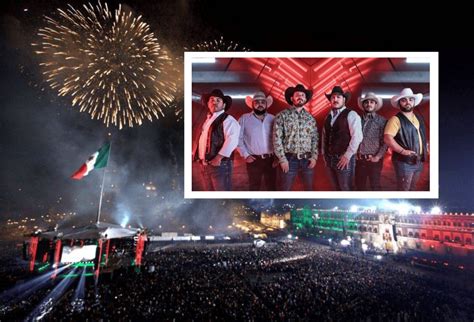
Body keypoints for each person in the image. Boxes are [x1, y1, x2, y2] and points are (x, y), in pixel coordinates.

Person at [273, 84, 318, 191]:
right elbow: (276, 138)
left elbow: (315, 138)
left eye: (303, 95)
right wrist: (282, 159)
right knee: (285, 189)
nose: (300, 97)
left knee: (309, 190)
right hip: (289, 159)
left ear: (306, 99)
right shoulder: (282, 115)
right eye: (297, 94)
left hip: (307, 160)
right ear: (292, 98)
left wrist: (314, 156)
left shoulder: (310, 118)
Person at [194, 89, 240, 191]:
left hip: (220, 165)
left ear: (223, 105)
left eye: (218, 100)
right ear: (208, 103)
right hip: (205, 165)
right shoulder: (208, 120)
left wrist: (218, 158)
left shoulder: (228, 120)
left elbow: (232, 140)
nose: (214, 102)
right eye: (212, 100)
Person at [384, 88, 427, 191]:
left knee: (412, 188)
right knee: (404, 189)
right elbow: (387, 138)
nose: (408, 102)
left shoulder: (418, 118)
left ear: (413, 102)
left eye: (410, 99)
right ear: (399, 104)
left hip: (418, 160)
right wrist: (402, 151)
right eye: (404, 100)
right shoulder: (395, 119)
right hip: (404, 162)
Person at [321, 86, 362, 190]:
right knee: (335, 188)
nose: (335, 99)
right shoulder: (328, 117)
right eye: (333, 97)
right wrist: (324, 155)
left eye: (338, 97)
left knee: (345, 188)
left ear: (344, 99)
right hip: (329, 159)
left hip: (344, 158)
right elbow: (324, 137)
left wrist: (347, 156)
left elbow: (357, 137)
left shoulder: (351, 114)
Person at [238, 91, 276, 190]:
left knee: (272, 187)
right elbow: (238, 138)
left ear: (266, 104)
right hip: (253, 160)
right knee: (254, 187)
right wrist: (246, 155)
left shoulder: (273, 118)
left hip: (271, 159)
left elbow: (278, 138)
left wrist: (277, 157)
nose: (260, 104)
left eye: (262, 102)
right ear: (252, 105)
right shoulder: (244, 118)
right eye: (257, 102)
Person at [355, 92, 388, 190]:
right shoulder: (357, 120)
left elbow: (385, 142)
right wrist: (354, 153)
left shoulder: (382, 121)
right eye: (366, 102)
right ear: (363, 104)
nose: (369, 104)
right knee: (359, 187)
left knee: (375, 186)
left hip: (374, 160)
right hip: (359, 160)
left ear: (375, 105)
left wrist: (377, 157)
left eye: (372, 102)